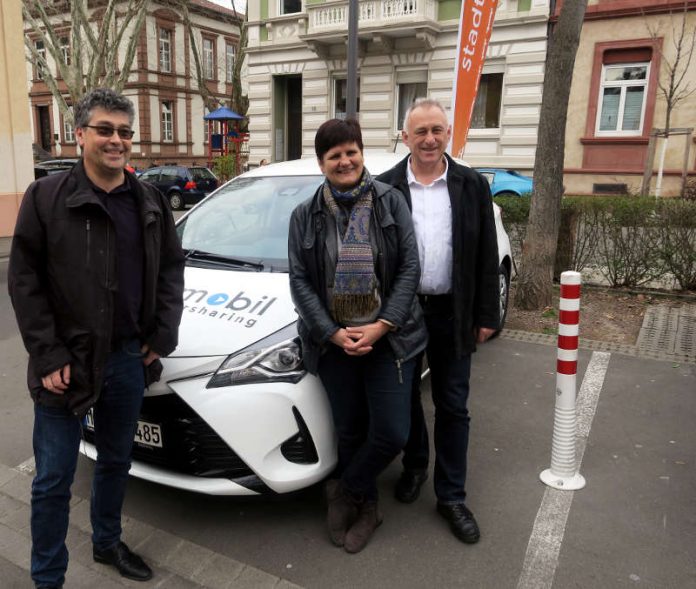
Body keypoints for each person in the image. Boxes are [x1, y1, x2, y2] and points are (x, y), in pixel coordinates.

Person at [8, 88, 185, 588]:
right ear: (80, 134)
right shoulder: (46, 199)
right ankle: (48, 579)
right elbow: (24, 279)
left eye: (125, 132)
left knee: (115, 462)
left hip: (128, 359)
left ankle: (107, 544)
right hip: (64, 367)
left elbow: (172, 267)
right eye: (105, 129)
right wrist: (47, 354)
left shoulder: (147, 200)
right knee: (52, 482)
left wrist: (162, 334)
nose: (117, 140)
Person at [288, 118, 427, 554]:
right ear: (322, 163)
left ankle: (344, 488)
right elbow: (299, 281)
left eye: (351, 151)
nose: (344, 161)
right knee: (349, 432)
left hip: (389, 339)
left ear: (362, 154)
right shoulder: (304, 215)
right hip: (333, 345)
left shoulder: (390, 203)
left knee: (391, 432)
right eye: (334, 155)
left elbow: (409, 267)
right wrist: (330, 333)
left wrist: (382, 324)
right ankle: (367, 508)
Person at [377, 97, 499, 544]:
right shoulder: (385, 186)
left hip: (453, 311)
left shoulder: (470, 185)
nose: (429, 139)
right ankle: (414, 467)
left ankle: (451, 495)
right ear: (405, 137)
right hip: (402, 316)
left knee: (452, 405)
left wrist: (487, 313)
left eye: (437, 131)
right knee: (405, 400)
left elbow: (486, 252)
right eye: (420, 131)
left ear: (448, 134)